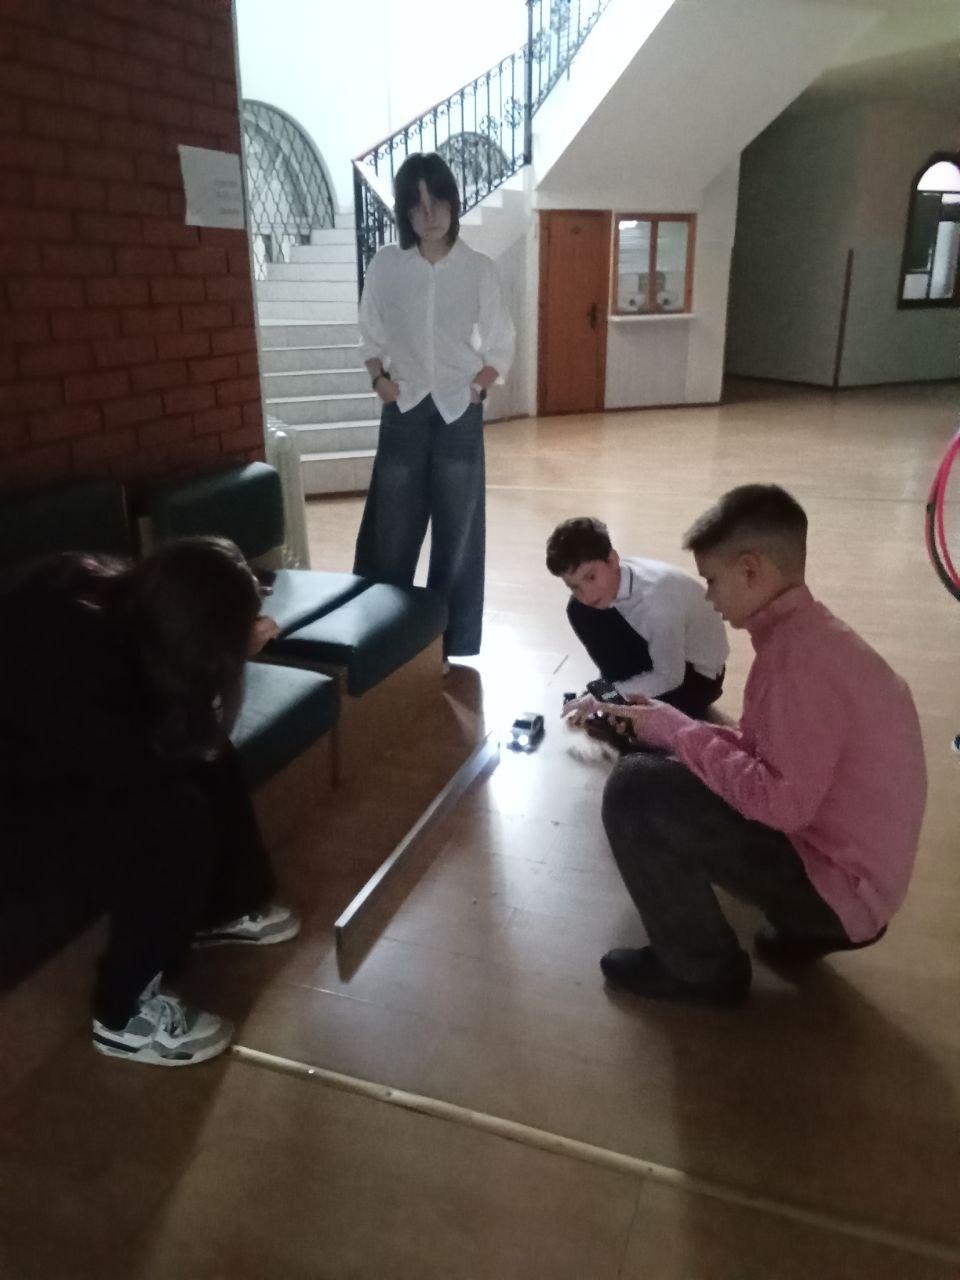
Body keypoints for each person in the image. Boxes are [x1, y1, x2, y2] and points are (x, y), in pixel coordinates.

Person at [565, 485, 927, 1005]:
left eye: (712, 580)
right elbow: (765, 751)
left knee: (635, 788)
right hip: (859, 873)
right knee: (670, 752)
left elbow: (777, 804)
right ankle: (808, 928)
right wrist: (671, 723)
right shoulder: (813, 636)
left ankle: (701, 969)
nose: (708, 597)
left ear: (751, 570)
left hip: (843, 886)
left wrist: (677, 733)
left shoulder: (794, 665)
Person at [0, 538, 297, 1067]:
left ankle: (223, 906)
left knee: (204, 758)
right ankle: (123, 1013)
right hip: (20, 790)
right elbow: (123, 761)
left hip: (50, 751)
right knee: (171, 820)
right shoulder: (80, 659)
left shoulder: (118, 597)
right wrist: (222, 666)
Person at [353, 151, 515, 666]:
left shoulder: (479, 269)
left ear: (452, 202)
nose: (429, 214)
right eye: (417, 204)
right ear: (404, 210)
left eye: (438, 200)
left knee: (458, 534)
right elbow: (370, 331)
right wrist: (378, 380)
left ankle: (446, 644)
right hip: (402, 406)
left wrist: (477, 389)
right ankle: (383, 638)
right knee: (392, 530)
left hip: (457, 412)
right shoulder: (387, 265)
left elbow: (500, 342)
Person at [546, 516, 728, 735]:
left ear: (613, 560)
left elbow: (670, 677)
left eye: (591, 577)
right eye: (574, 586)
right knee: (578, 609)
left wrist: (609, 696)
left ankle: (612, 699)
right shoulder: (613, 582)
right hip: (662, 649)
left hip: (697, 678)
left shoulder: (657, 603)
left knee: (638, 728)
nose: (586, 593)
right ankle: (610, 695)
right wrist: (609, 692)